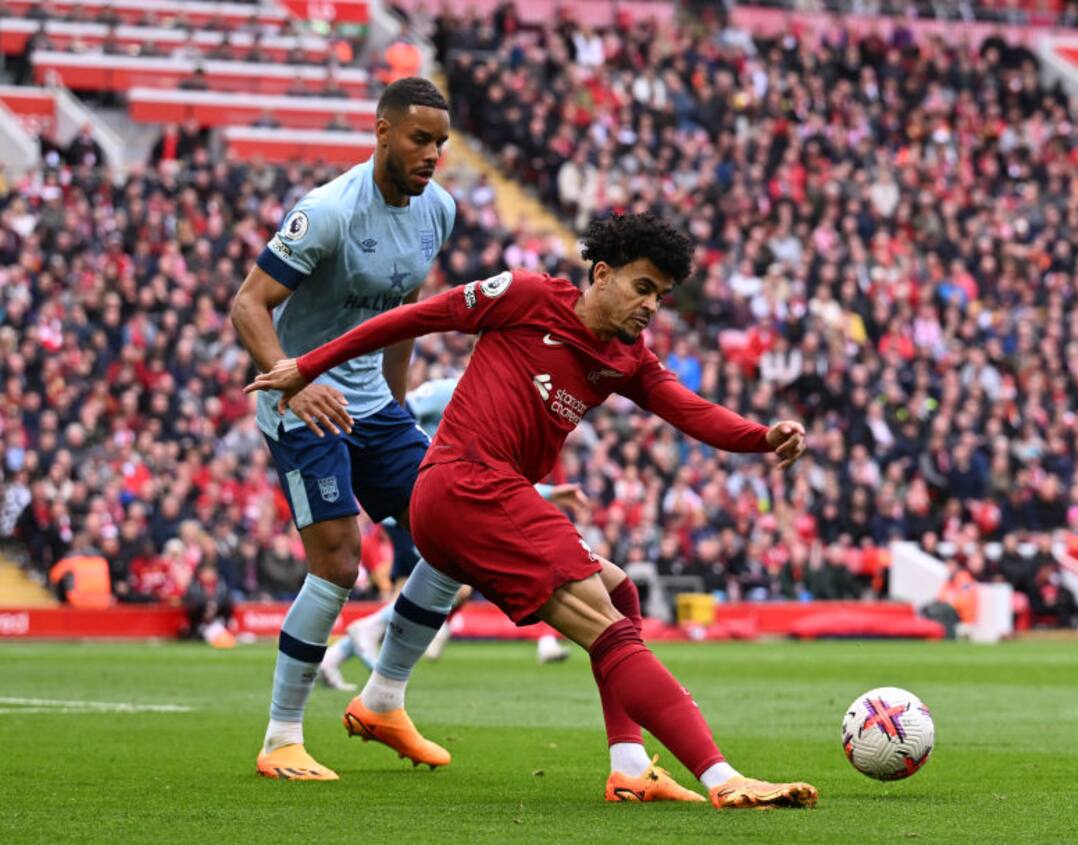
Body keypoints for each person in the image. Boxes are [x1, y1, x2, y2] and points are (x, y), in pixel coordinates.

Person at [248, 212, 818, 808]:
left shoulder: (627, 358)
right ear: (602, 274)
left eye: (662, 296)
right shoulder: (524, 295)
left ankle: (628, 766)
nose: (651, 306)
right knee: (608, 630)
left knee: (619, 593)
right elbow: (413, 317)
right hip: (469, 486)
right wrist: (307, 365)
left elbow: (689, 409)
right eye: (642, 288)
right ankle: (723, 778)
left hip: (484, 498)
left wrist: (761, 436)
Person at [230, 77, 464, 782]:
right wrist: (292, 379)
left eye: (441, 143)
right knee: (337, 562)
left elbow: (405, 312)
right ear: (382, 131)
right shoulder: (327, 211)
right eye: (420, 139)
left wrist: (393, 406)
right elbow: (248, 305)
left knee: (452, 537)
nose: (431, 154)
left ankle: (383, 700)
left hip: (371, 405)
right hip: (299, 401)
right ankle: (281, 739)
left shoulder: (438, 211)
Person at [316, 375, 580, 690]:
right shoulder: (450, 390)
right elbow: (399, 411)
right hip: (419, 499)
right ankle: (370, 637)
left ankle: (340, 655)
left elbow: (496, 475)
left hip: (438, 501)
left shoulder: (495, 402)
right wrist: (417, 460)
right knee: (455, 582)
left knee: (435, 590)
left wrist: (550, 493)